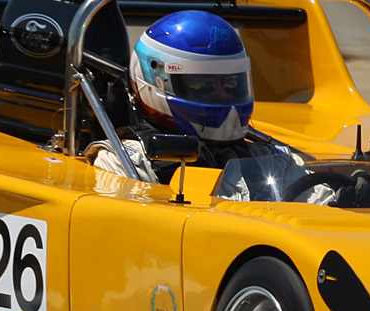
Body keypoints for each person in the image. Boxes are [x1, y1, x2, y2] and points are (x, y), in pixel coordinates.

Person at [90, 9, 298, 184]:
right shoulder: (126, 163)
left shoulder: (271, 160)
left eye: (231, 83)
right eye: (203, 84)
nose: (222, 94)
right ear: (155, 82)